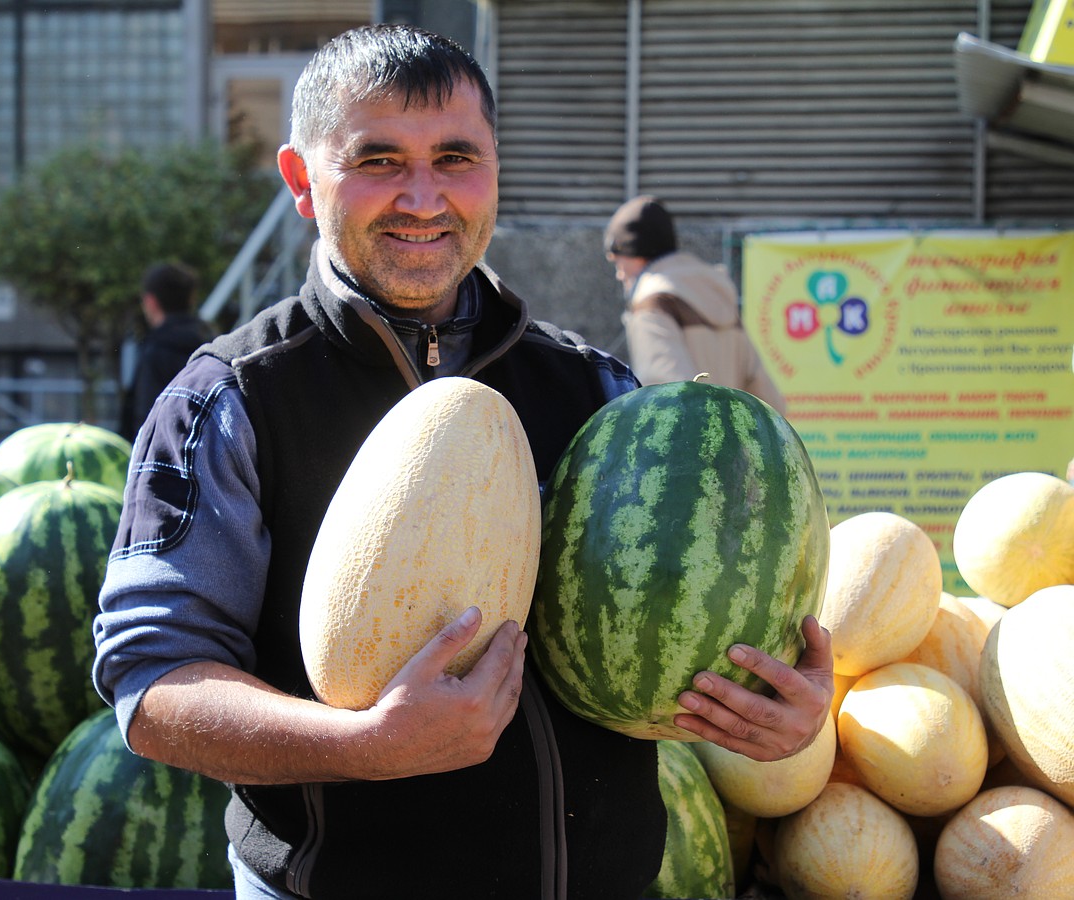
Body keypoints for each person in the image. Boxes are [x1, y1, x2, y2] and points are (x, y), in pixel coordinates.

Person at [92, 24, 833, 900]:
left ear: (494, 170)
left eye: (455, 157)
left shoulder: (597, 389)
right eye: (377, 161)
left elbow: (661, 645)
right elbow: (152, 685)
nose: (422, 196)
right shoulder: (230, 399)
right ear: (301, 180)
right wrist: (361, 749)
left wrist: (774, 712)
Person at [604, 195, 788, 414]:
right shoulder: (718, 294)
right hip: (735, 445)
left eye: (617, 260)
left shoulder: (652, 302)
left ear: (635, 253)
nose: (618, 273)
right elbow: (770, 402)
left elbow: (668, 400)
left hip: (690, 445)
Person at [117, 261, 215, 441]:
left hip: (165, 459)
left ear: (150, 301)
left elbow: (146, 419)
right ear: (191, 298)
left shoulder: (155, 351)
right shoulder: (213, 345)